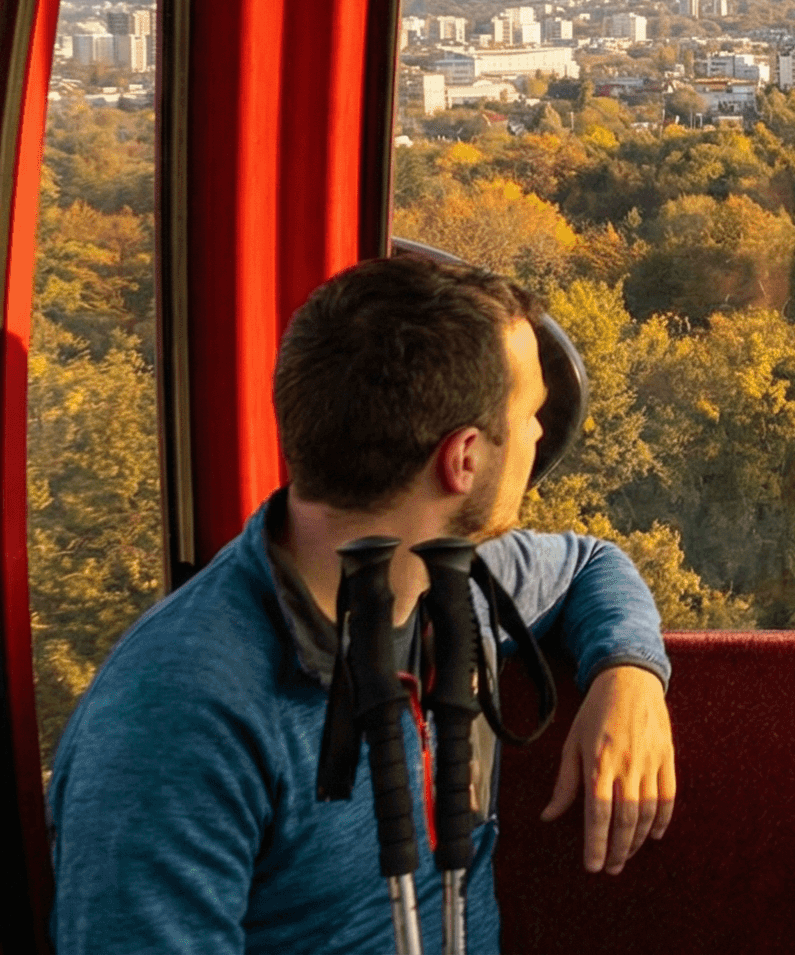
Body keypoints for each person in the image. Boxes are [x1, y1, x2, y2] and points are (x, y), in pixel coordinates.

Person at [48, 255, 679, 953]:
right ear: (463, 459)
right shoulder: (178, 720)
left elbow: (592, 565)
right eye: (530, 413)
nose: (537, 434)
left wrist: (629, 675)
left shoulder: (459, 576)